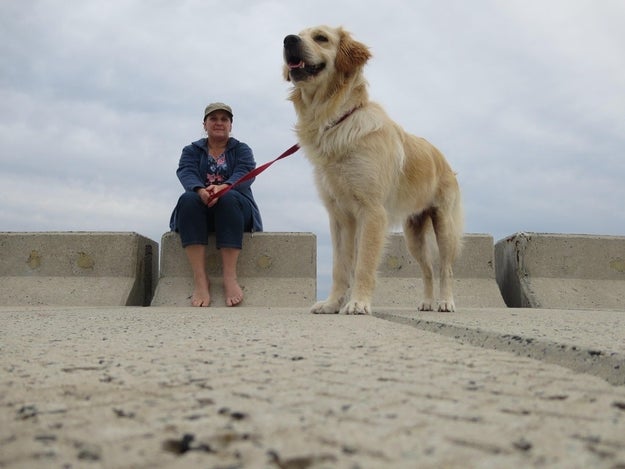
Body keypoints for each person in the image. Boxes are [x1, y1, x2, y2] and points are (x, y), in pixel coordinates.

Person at [169, 102, 262, 307]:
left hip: (235, 210)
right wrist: (201, 190)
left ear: (230, 125)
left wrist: (224, 187)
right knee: (187, 199)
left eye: (224, 119)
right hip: (200, 209)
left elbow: (246, 172)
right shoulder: (191, 150)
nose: (219, 123)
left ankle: (230, 278)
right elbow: (186, 171)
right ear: (205, 124)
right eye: (214, 119)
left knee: (228, 199)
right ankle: (200, 279)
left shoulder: (242, 149)